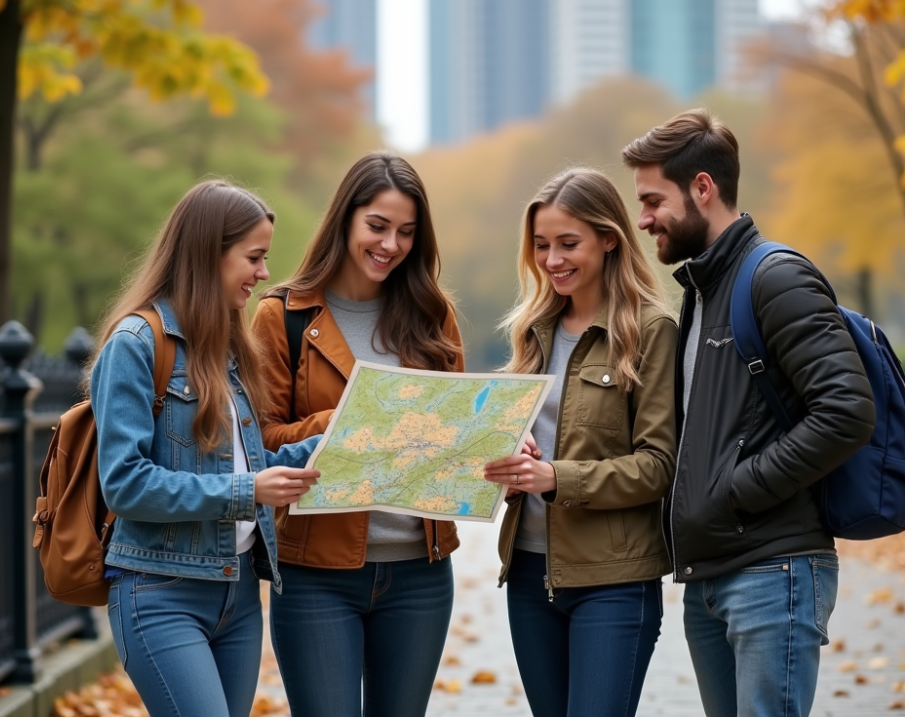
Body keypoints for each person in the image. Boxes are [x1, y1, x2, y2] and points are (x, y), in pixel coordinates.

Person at [624, 109, 877, 717]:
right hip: (712, 575)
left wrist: (738, 491)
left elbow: (846, 410)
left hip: (773, 571)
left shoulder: (774, 276)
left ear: (702, 188)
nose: (643, 219)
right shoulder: (704, 291)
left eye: (654, 200)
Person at [88, 180, 322, 717]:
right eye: (254, 257)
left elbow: (250, 465)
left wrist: (330, 445)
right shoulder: (135, 344)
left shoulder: (228, 346)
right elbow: (124, 483)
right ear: (207, 254)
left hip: (236, 596)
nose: (264, 273)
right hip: (159, 592)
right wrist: (247, 491)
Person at [252, 152, 464, 717]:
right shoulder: (282, 315)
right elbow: (263, 442)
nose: (390, 244)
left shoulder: (433, 314)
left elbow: (457, 431)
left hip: (421, 574)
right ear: (345, 219)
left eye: (406, 232)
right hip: (315, 573)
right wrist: (352, 416)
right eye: (377, 226)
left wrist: (493, 444)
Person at [482, 167, 679, 717]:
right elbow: (515, 437)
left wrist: (556, 478)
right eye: (542, 246)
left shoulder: (650, 331)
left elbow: (659, 465)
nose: (552, 260)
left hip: (613, 580)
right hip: (528, 573)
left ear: (609, 238)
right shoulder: (531, 330)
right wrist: (507, 456)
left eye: (568, 244)